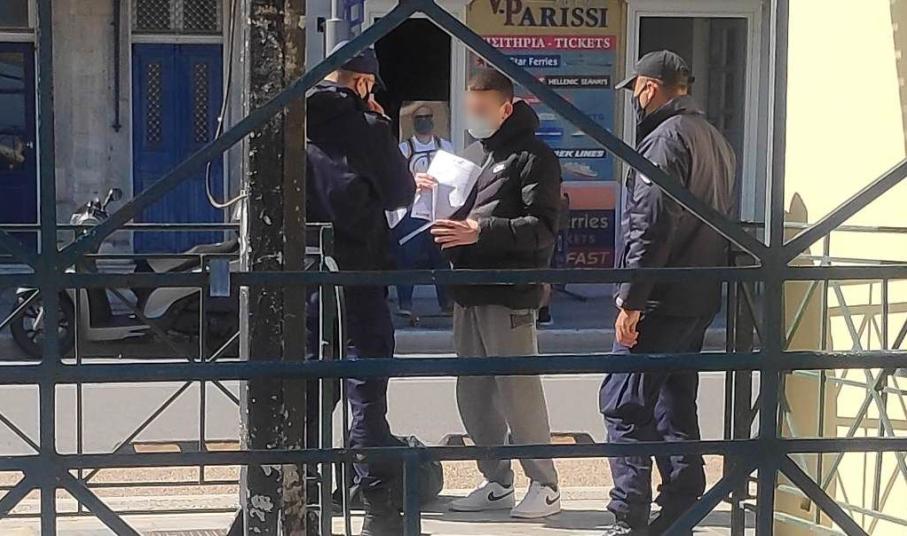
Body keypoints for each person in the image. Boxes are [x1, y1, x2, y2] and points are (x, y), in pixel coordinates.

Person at [599, 50, 737, 536]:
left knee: (623, 404)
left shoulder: (665, 139)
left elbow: (651, 223)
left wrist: (631, 299)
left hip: (660, 296)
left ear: (649, 88)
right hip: (697, 293)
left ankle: (628, 515)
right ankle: (683, 507)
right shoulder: (713, 138)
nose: (634, 100)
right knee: (673, 403)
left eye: (635, 90)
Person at [428, 68, 562, 519]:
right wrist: (429, 198)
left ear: (506, 108)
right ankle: (497, 480)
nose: (474, 116)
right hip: (468, 289)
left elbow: (543, 228)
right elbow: (454, 212)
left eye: (482, 109)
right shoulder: (472, 156)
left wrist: (480, 231)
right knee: (474, 393)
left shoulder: (534, 157)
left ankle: (544, 484)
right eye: (470, 108)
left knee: (518, 390)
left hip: (509, 293)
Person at [306, 41, 419, 536]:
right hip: (360, 277)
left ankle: (307, 497)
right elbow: (400, 192)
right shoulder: (367, 129)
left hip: (306, 280)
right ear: (363, 82)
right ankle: (376, 507)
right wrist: (379, 128)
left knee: (309, 394)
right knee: (366, 396)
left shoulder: (292, 122)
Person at [391, 105, 454, 316]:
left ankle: (446, 303)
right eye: (419, 117)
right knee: (406, 258)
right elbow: (397, 179)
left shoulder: (445, 146)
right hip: (412, 212)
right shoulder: (404, 148)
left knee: (441, 258)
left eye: (428, 116)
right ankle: (405, 304)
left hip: (438, 211)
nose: (424, 121)